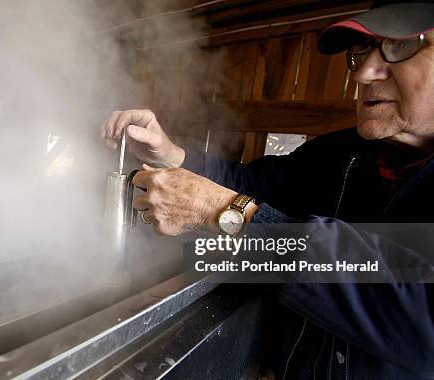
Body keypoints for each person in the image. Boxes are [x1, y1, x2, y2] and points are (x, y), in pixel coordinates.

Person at [101, 1, 434, 378]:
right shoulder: (342, 153)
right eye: (361, 51)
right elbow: (252, 185)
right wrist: (171, 155)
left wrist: (227, 215)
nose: (364, 74)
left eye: (398, 46)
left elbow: (420, 319)